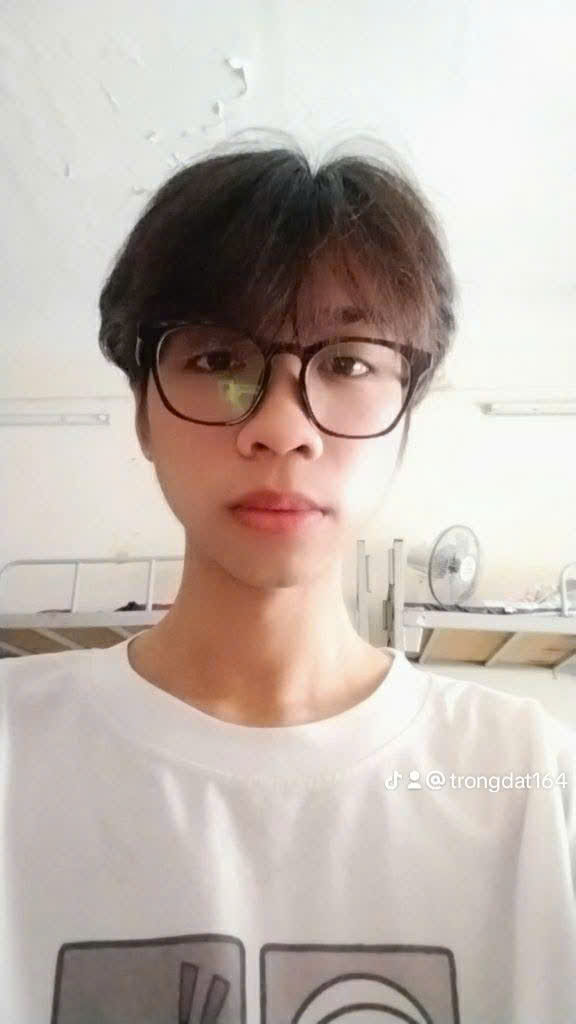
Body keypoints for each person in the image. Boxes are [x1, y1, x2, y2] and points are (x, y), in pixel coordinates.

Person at [1, 135, 575, 1022]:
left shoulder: (533, 786)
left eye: (346, 363)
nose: (281, 426)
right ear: (143, 411)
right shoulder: (14, 754)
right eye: (218, 361)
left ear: (407, 412)